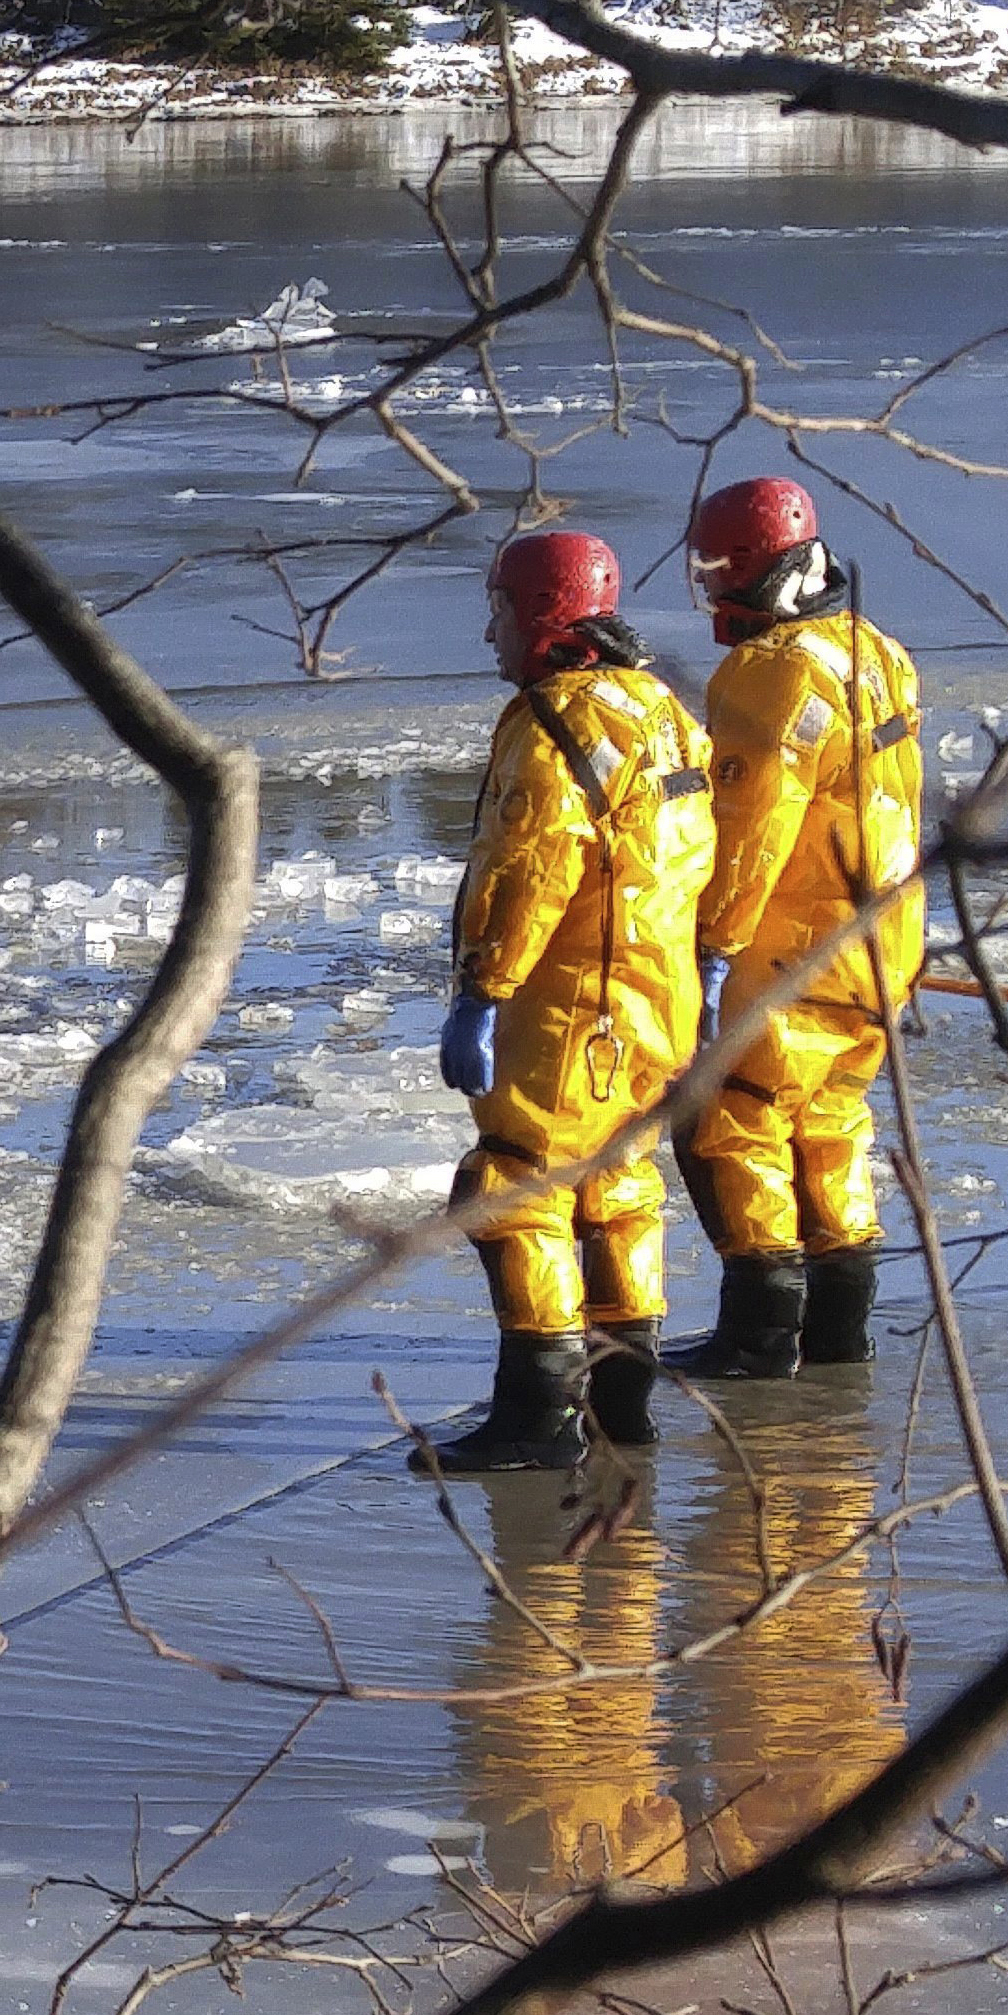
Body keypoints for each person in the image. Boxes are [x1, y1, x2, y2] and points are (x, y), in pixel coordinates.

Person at [432, 531, 717, 1472]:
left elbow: (530, 868)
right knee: (622, 1186)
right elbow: (700, 852)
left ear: (542, 614)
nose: (487, 635)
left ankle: (540, 1417)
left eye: (502, 612)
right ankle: (622, 1402)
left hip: (569, 1012)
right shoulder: (660, 708)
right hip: (655, 1000)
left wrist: (484, 988)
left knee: (517, 1182)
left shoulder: (552, 720)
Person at [676, 477, 924, 1378]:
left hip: (789, 943)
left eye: (712, 568)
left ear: (746, 567)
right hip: (878, 938)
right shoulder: (876, 649)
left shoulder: (769, 673)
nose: (705, 588)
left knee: (742, 1117)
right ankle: (838, 1330)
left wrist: (713, 947)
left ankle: (760, 1332)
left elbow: (753, 830)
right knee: (832, 1120)